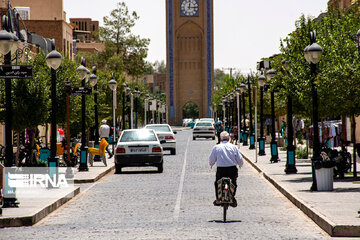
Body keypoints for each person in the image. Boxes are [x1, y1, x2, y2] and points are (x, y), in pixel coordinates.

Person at [209, 131, 244, 207]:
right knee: (233, 183)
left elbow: (211, 159)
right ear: (228, 139)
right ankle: (232, 197)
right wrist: (240, 165)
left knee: (217, 183)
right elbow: (240, 160)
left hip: (221, 170)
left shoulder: (216, 147)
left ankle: (218, 199)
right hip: (232, 169)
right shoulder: (234, 147)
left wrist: (211, 164)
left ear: (220, 139)